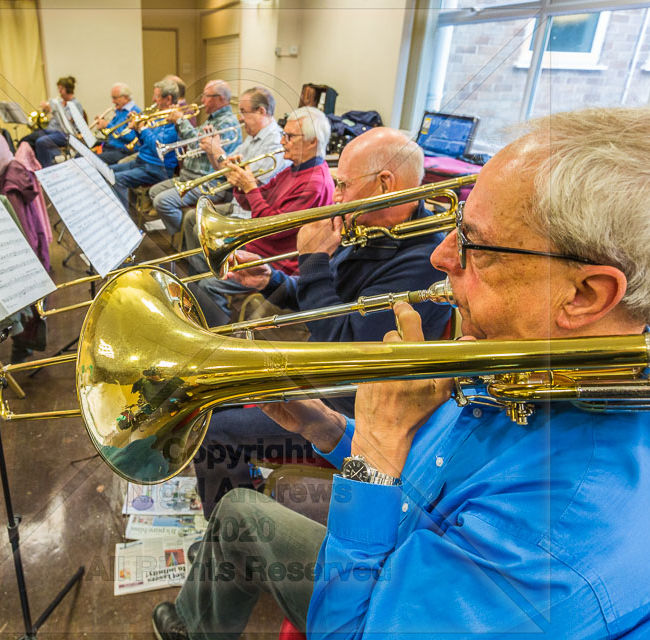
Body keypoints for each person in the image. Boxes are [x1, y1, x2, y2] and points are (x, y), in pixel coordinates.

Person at [151, 105, 650, 639]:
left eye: (475, 243)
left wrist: (375, 450)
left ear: (585, 295)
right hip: (409, 543)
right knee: (241, 510)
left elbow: (346, 631)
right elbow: (432, 483)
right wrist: (327, 427)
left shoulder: (558, 533)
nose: (442, 257)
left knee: (241, 512)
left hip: (376, 592)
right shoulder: (528, 365)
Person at [188, 127, 452, 517]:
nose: (336, 196)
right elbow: (324, 301)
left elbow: (346, 352)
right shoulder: (369, 230)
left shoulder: (422, 263)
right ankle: (243, 490)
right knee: (211, 391)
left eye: (343, 184)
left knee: (213, 430)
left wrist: (312, 261)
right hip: (322, 372)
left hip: (350, 408)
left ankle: (233, 529)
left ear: (384, 184)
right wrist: (273, 280)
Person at [191, 105, 335, 319]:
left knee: (206, 286)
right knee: (201, 255)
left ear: (312, 142)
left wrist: (249, 187)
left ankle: (221, 333)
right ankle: (200, 310)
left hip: (276, 263)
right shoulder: (293, 170)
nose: (281, 141)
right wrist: (241, 183)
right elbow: (255, 202)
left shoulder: (313, 183)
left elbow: (270, 228)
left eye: (289, 136)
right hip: (258, 248)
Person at [178, 86, 289, 273]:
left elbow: (243, 181)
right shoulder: (253, 138)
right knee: (191, 218)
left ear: (261, 111)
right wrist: (213, 152)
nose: (240, 118)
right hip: (238, 205)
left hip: (250, 214)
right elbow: (224, 171)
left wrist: (218, 152)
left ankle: (209, 277)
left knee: (199, 227)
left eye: (244, 112)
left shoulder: (273, 141)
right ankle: (201, 272)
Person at [149, 79, 241, 235]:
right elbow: (193, 140)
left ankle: (183, 236)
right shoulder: (212, 118)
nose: (202, 100)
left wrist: (180, 120)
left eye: (206, 96)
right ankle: (181, 232)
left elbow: (195, 145)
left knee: (162, 201)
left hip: (207, 182)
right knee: (153, 191)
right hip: (188, 177)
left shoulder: (226, 123)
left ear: (220, 99)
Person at [112, 79, 180, 205]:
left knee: (116, 179)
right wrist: (137, 127)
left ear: (168, 99)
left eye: (157, 96)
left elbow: (158, 148)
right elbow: (143, 144)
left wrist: (143, 128)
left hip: (158, 169)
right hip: (142, 161)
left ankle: (124, 218)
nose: (154, 100)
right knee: (107, 171)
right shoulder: (158, 115)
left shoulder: (174, 122)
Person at [17, 75, 85, 168]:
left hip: (65, 133)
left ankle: (47, 169)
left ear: (68, 89)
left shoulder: (75, 104)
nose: (59, 92)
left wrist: (52, 109)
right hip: (51, 130)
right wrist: (45, 110)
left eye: (61, 89)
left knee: (41, 142)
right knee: (28, 139)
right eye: (59, 89)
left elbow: (67, 121)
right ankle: (33, 167)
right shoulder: (59, 103)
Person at [93, 82, 142, 165]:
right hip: (110, 147)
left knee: (91, 161)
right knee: (81, 155)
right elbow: (111, 134)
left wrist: (107, 125)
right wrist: (103, 127)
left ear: (125, 98)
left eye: (115, 98)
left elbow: (131, 137)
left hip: (122, 150)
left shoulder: (134, 112)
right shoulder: (119, 111)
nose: (113, 101)